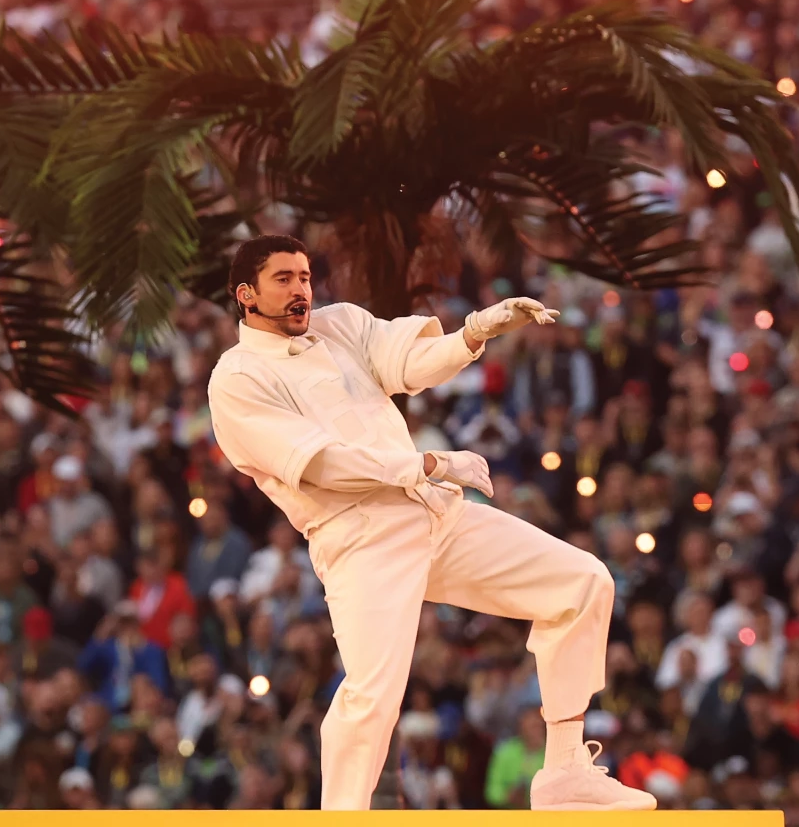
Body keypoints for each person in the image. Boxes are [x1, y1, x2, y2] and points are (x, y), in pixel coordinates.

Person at [205, 235, 654, 811]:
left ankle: (565, 770)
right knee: (372, 696)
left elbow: (409, 364)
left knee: (583, 581)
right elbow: (321, 465)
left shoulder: (339, 324)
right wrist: (429, 463)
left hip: (432, 511)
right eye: (284, 279)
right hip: (361, 536)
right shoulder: (236, 378)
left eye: (306, 277)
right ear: (247, 294)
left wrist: (476, 331)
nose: (301, 290)